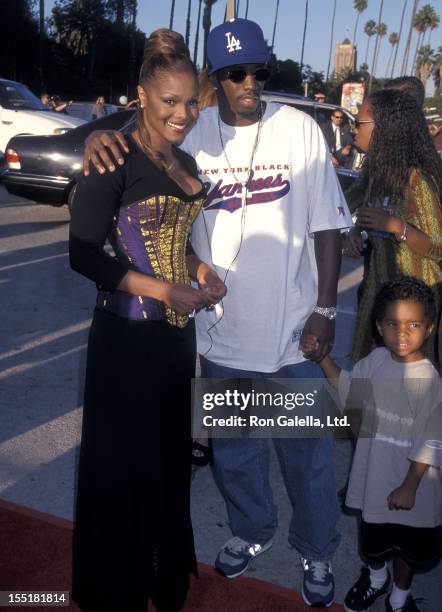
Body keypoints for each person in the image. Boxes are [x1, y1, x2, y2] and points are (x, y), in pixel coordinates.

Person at [82, 17, 353, 608]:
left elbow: (329, 227)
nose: (250, 82)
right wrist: (91, 136)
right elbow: (140, 129)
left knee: (306, 456)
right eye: (236, 73)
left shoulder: (301, 130)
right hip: (219, 334)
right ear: (214, 80)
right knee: (235, 453)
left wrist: (326, 309)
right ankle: (254, 531)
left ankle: (315, 547)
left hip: (290, 332)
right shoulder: (193, 131)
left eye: (259, 69)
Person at [69, 29, 226, 612]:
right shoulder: (111, 155)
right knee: (123, 464)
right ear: (141, 95)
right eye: (169, 101)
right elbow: (84, 254)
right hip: (126, 339)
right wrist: (164, 288)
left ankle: (161, 573)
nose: (182, 113)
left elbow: (175, 242)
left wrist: (200, 270)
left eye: (190, 101)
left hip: (172, 345)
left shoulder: (183, 160)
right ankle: (118, 587)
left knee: (167, 460)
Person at [301, 277, 442, 612]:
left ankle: (399, 596)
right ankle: (376, 580)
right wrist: (323, 359)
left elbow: (432, 438)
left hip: (415, 488)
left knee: (409, 547)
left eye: (413, 324)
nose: (402, 333)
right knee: (375, 541)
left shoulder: (429, 379)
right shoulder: (375, 362)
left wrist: (409, 485)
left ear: (430, 328)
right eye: (393, 324)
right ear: (379, 327)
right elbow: (350, 390)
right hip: (375, 479)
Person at [344, 88, 442, 366]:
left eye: (360, 123)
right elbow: (344, 203)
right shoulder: (376, 173)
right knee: (368, 369)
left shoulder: (417, 181)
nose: (354, 129)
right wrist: (351, 233)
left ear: (385, 128)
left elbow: (438, 245)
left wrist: (397, 226)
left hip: (413, 302)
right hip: (378, 289)